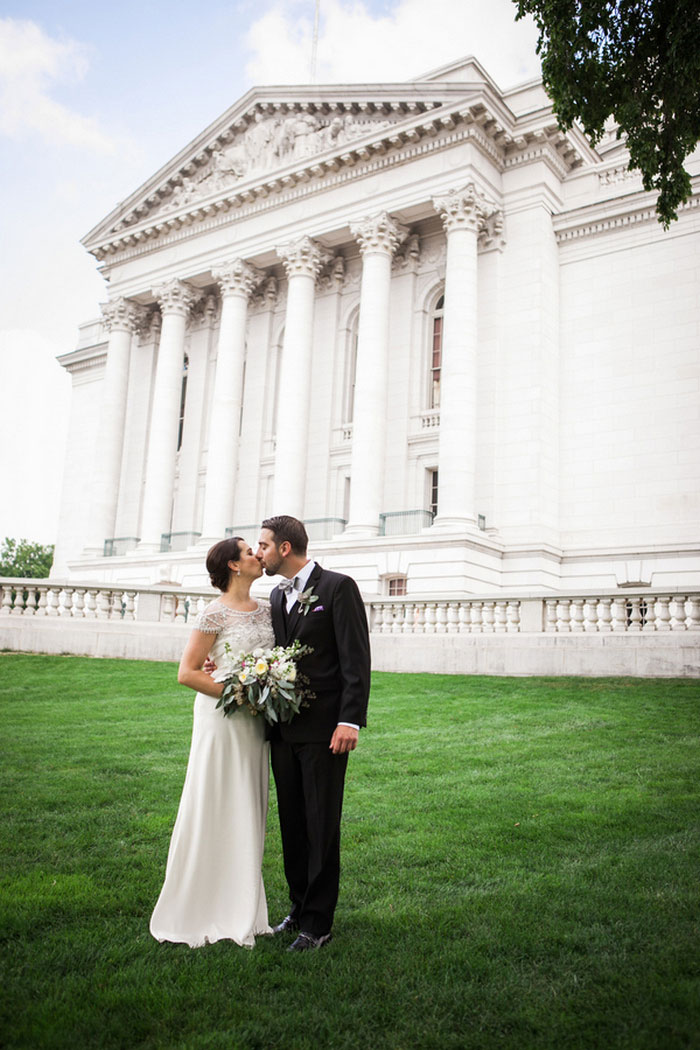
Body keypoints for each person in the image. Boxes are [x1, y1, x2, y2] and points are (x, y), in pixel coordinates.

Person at [149, 537, 274, 948]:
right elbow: (187, 673)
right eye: (248, 551)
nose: (257, 554)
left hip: (256, 727)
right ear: (234, 566)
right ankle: (199, 904)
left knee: (247, 803)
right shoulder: (213, 613)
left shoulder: (270, 611)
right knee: (215, 800)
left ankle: (244, 906)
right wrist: (240, 695)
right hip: (223, 719)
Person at [256, 515, 371, 952]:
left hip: (326, 730)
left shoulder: (338, 588)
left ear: (285, 548)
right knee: (293, 824)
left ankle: (319, 923)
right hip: (283, 731)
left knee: (321, 824)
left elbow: (355, 658)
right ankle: (299, 908)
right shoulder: (275, 594)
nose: (259, 552)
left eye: (264, 545)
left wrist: (350, 719)